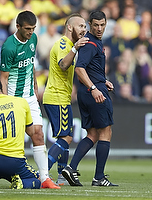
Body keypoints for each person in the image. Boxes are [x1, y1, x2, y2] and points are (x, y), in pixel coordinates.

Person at [0, 10, 60, 189]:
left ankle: (44, 179)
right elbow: (3, 77)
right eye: (27, 29)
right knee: (14, 139)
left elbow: (31, 62)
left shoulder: (33, 39)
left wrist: (34, 83)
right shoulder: (9, 47)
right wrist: (4, 102)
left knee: (39, 134)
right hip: (14, 98)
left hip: (30, 97)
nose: (31, 32)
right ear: (17, 26)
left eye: (33, 28)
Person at [62, 10, 118, 187]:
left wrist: (103, 81)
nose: (99, 28)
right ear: (90, 25)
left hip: (90, 91)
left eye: (102, 25)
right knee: (105, 132)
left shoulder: (94, 43)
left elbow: (89, 69)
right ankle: (99, 177)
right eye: (96, 25)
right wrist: (94, 88)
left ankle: (71, 168)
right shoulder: (90, 43)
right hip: (94, 93)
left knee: (93, 134)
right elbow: (79, 69)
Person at [42, 13, 88, 186]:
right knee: (66, 138)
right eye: (80, 26)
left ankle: (62, 175)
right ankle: (43, 172)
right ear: (70, 27)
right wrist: (75, 48)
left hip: (59, 97)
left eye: (85, 26)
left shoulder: (68, 44)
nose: (84, 29)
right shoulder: (64, 44)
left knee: (65, 136)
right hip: (57, 97)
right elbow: (63, 64)